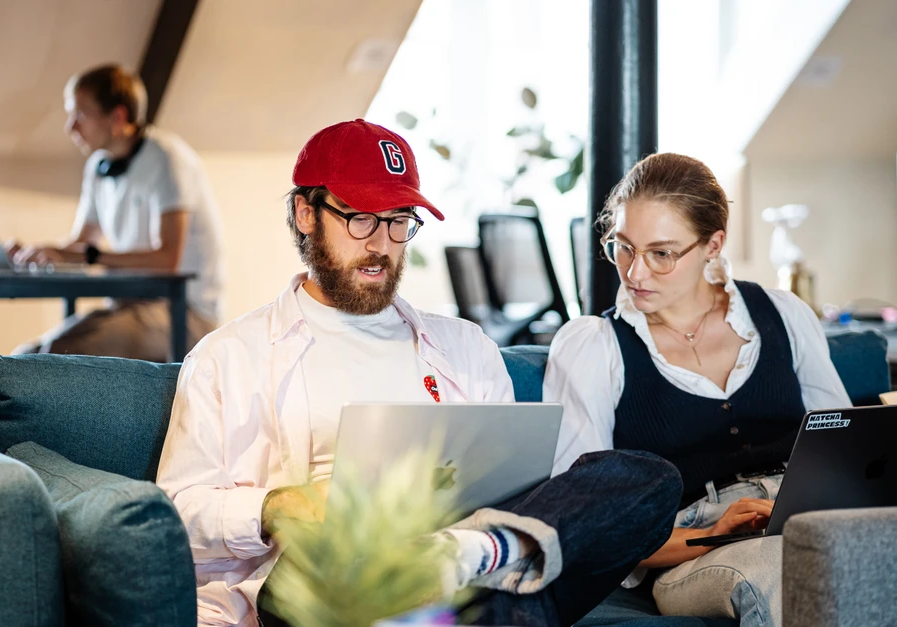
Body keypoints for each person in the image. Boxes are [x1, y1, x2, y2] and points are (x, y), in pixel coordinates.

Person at [155, 119, 683, 627]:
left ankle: (459, 562)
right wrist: (274, 506)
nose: (381, 243)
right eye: (361, 217)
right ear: (305, 213)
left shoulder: (465, 347)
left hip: (472, 572)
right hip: (327, 583)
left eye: (399, 220)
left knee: (648, 479)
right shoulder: (229, 356)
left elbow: (518, 488)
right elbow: (175, 515)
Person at [543, 153, 851, 627]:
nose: (634, 273)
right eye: (622, 247)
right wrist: (712, 530)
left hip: (806, 514)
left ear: (713, 244)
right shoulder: (594, 346)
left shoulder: (783, 313)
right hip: (692, 548)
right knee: (784, 571)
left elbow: (845, 451)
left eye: (661, 253)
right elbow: (586, 520)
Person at [9, 64, 223, 361]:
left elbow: (167, 261)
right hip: (129, 308)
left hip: (183, 314)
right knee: (22, 359)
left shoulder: (167, 158)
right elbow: (81, 244)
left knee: (60, 355)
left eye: (80, 115)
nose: (70, 127)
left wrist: (90, 256)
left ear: (118, 117)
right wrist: (35, 254)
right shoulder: (98, 165)